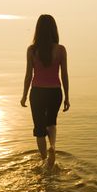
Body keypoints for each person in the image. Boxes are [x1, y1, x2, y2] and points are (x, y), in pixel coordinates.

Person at [20, 14, 70, 168]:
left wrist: (24, 96)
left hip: (37, 92)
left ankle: (44, 162)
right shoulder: (61, 49)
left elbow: (29, 75)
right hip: (55, 92)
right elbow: (64, 75)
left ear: (38, 30)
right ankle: (52, 147)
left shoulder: (32, 50)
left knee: (39, 128)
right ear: (54, 29)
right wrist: (67, 97)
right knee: (51, 123)